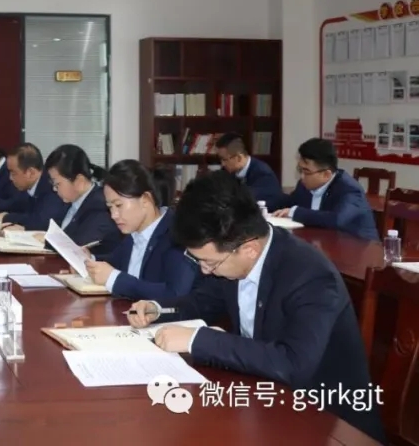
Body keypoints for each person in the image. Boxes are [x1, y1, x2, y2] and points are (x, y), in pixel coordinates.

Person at [127, 170, 384, 442]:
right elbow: (203, 302)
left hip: (328, 420)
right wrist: (159, 309)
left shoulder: (311, 276)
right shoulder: (233, 257)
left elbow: (293, 365)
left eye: (209, 262)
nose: (204, 270)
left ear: (249, 249)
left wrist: (198, 340)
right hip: (265, 399)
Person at [83, 160, 198, 300]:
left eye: (118, 205)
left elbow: (175, 293)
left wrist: (115, 279)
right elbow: (115, 262)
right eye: (110, 207)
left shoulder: (176, 235)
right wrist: (89, 260)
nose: (113, 215)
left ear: (145, 200)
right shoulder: (134, 232)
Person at [270, 138, 378, 241]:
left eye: (306, 172)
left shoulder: (350, 190)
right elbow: (289, 203)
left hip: (357, 248)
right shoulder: (304, 185)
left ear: (326, 174)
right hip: (321, 244)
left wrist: (295, 212)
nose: (302, 176)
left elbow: (336, 219)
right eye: (300, 170)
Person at [23, 144, 121, 256]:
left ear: (79, 181)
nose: (54, 189)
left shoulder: (100, 206)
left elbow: (77, 244)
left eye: (57, 184)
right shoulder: (71, 200)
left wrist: (47, 239)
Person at [214, 132, 282, 207]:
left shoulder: (263, 174)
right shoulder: (226, 171)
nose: (222, 164)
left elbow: (244, 200)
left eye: (224, 159)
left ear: (239, 158)